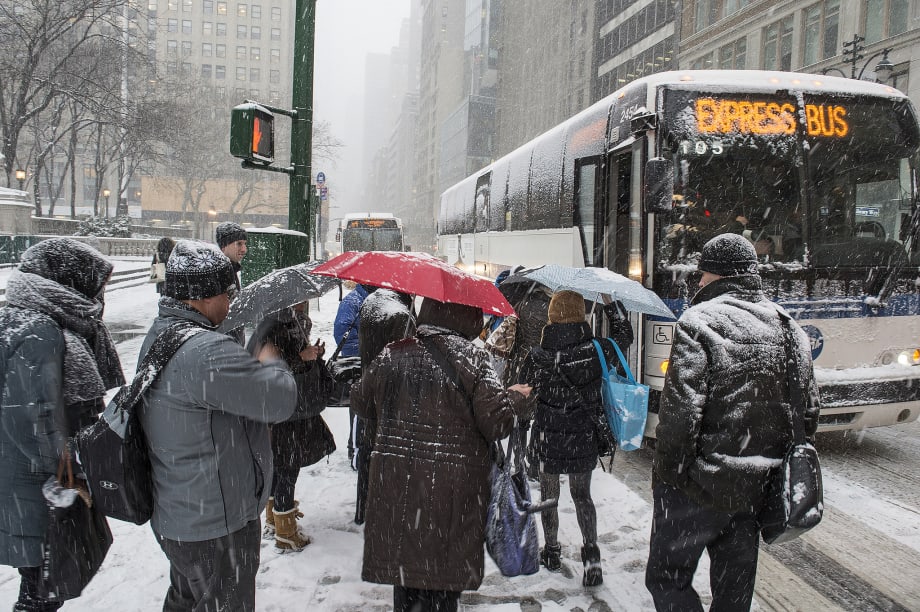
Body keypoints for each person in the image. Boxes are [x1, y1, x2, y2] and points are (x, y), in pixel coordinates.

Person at [646, 233, 820, 612]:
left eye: (702, 275)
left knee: (666, 579)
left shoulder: (699, 323)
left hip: (698, 489)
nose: (698, 283)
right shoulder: (790, 328)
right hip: (754, 490)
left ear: (713, 275)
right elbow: (808, 414)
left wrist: (671, 478)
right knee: (734, 593)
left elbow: (680, 416)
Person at [137, 240, 297, 612]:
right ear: (201, 296)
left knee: (188, 600)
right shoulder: (206, 352)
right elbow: (279, 400)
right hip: (216, 524)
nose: (231, 301)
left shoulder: (162, 334)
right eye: (227, 292)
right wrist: (271, 360)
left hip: (182, 514)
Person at [351, 298, 532, 612]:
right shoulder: (475, 359)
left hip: (400, 489)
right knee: (442, 582)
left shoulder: (394, 352)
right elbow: (497, 423)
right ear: (465, 318)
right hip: (452, 495)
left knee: (407, 580)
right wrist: (515, 398)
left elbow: (361, 403)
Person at [0, 238, 125, 612]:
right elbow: (33, 416)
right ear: (70, 282)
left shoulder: (24, 318)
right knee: (41, 589)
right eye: (96, 285)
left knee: (41, 581)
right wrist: (74, 461)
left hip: (19, 478)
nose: (101, 294)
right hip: (35, 485)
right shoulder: (41, 332)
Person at [518, 289, 633, 587]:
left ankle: (552, 552)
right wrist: (610, 303)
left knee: (549, 496)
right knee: (583, 496)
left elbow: (522, 392)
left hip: (547, 436)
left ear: (552, 315)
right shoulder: (598, 349)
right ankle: (592, 558)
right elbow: (625, 336)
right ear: (581, 315)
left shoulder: (538, 355)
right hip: (582, 435)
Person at [248, 301, 337, 552]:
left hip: (286, 410)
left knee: (281, 464)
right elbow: (270, 368)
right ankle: (285, 531)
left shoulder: (283, 323)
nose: (305, 302)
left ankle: (274, 516)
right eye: (301, 299)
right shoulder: (274, 329)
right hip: (286, 411)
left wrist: (311, 353)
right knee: (288, 466)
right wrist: (302, 356)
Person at [353, 289, 416, 525]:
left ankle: (364, 508)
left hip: (369, 389)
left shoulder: (372, 302)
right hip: (395, 397)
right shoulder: (401, 314)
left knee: (369, 452)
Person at [333, 283, 374, 462]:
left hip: (370, 363)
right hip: (359, 364)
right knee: (358, 406)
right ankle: (355, 447)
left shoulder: (370, 299)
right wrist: (363, 352)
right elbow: (342, 332)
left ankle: (361, 443)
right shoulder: (353, 301)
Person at [215, 222, 248, 344]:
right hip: (225, 343)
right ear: (224, 246)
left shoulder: (231, 269)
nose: (244, 249)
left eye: (245, 244)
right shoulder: (220, 273)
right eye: (239, 244)